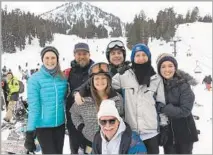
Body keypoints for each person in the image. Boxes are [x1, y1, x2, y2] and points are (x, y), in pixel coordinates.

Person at [112, 43, 169, 154]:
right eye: (137, 55)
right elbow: (104, 84)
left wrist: (164, 126)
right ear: (133, 58)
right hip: (131, 132)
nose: (141, 58)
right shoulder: (123, 76)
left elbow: (161, 104)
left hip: (151, 132)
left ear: (149, 57)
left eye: (144, 55)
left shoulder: (156, 79)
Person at [70, 62, 124, 154]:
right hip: (90, 143)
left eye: (103, 78)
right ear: (92, 81)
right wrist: (81, 127)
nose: (100, 81)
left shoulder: (117, 98)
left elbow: (122, 116)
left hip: (111, 144)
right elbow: (74, 113)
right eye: (97, 78)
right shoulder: (84, 99)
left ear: (108, 80)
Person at [24, 46, 67, 154]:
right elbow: (34, 107)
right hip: (43, 127)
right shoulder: (35, 79)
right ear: (42, 60)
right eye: (47, 58)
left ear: (57, 59)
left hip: (60, 125)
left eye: (53, 58)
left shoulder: (62, 78)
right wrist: (29, 133)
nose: (50, 61)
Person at [156, 53, 198, 154]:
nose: (167, 70)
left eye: (170, 66)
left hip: (185, 133)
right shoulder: (157, 86)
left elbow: (185, 111)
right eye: (163, 66)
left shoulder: (183, 85)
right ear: (159, 70)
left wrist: (163, 108)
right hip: (168, 135)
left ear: (175, 68)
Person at [74, 40, 130, 104]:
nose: (116, 55)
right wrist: (79, 92)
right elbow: (91, 82)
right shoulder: (105, 71)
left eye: (119, 53)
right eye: (113, 53)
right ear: (109, 57)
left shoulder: (130, 71)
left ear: (124, 55)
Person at [65, 42, 95, 154]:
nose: (81, 56)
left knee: (91, 150)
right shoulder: (68, 73)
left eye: (84, 53)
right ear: (74, 55)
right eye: (79, 54)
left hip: (91, 122)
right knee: (75, 151)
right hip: (73, 122)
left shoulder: (95, 71)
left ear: (89, 55)